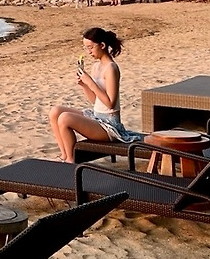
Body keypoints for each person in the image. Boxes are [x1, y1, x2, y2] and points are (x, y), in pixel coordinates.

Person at [48, 27, 141, 162]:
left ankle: (71, 160)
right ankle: (64, 155)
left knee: (65, 118)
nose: (88, 52)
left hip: (109, 126)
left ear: (102, 45)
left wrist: (90, 83)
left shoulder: (111, 68)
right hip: (97, 117)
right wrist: (84, 85)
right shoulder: (96, 67)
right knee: (55, 112)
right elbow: (95, 100)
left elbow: (110, 104)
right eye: (86, 48)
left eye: (91, 47)